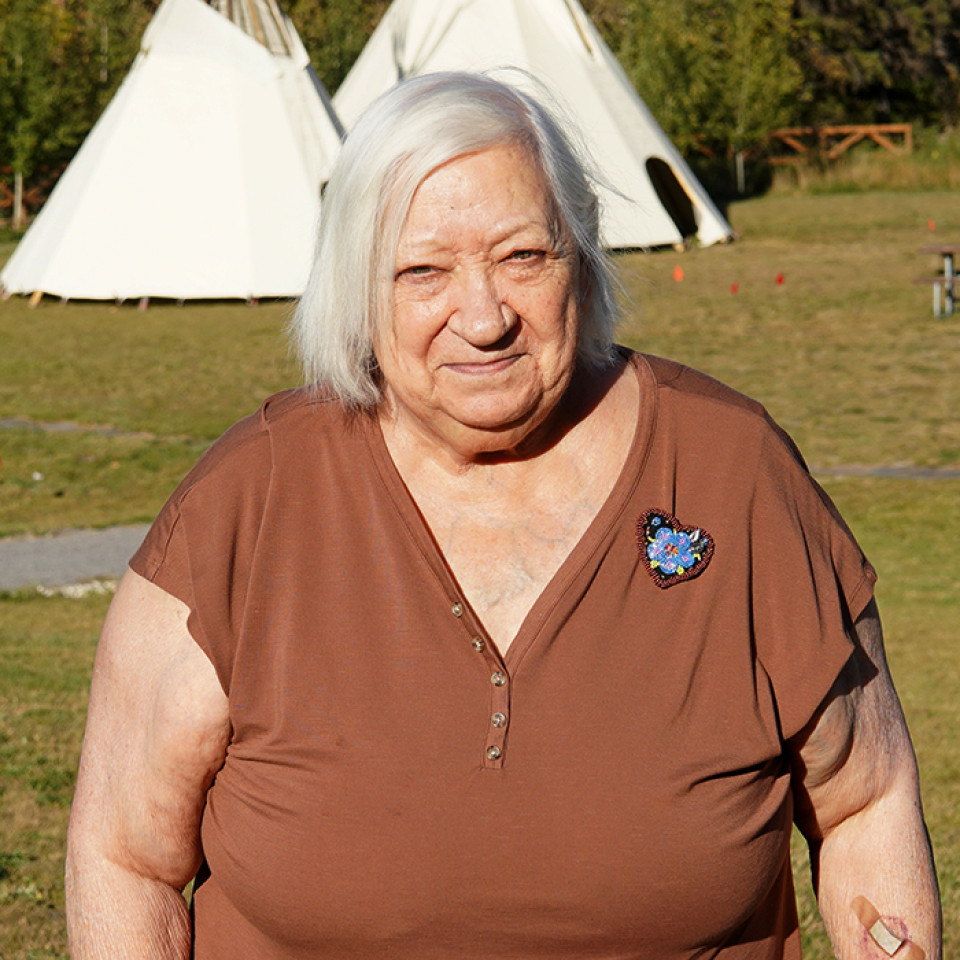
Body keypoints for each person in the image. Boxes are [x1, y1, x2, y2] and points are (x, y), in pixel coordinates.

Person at [66, 71, 940, 959]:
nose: (483, 317)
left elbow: (867, 800)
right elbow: (124, 857)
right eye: (423, 271)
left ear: (583, 256)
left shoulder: (733, 477)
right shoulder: (248, 506)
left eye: (523, 256)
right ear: (356, 290)